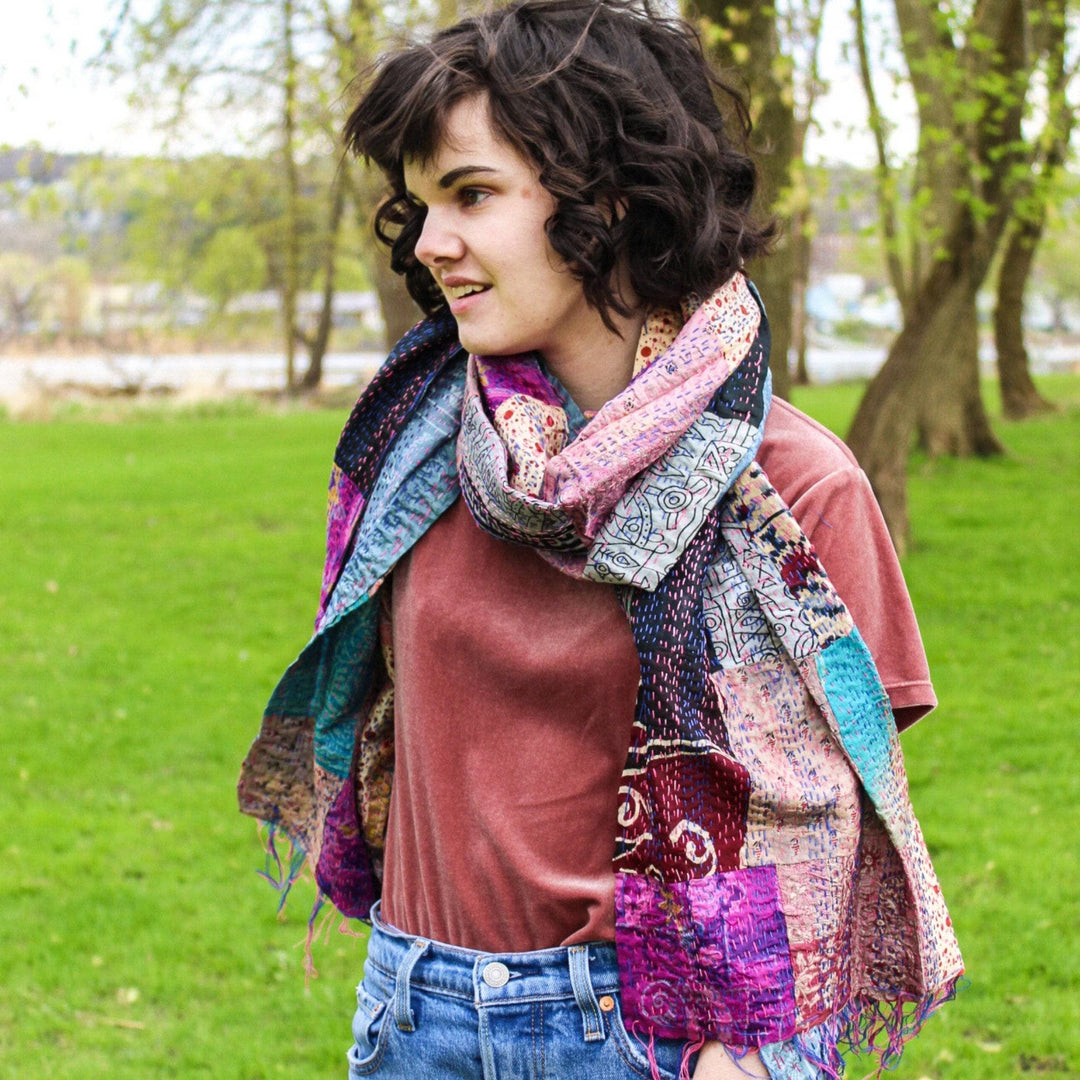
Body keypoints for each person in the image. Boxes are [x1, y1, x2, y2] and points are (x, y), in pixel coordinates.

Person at [238, 2, 963, 1078]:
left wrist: (752, 1048)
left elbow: (834, 810)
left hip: (659, 1037)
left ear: (609, 199)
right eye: (424, 202)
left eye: (473, 195)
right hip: (416, 1015)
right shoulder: (413, 459)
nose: (433, 242)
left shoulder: (797, 485)